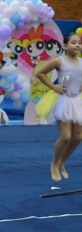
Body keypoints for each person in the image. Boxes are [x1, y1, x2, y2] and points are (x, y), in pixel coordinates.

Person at [36, 33, 82, 181]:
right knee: (66, 136)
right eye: (73, 42)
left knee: (77, 137)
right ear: (65, 46)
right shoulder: (59, 61)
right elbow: (40, 72)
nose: (77, 45)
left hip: (76, 100)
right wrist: (53, 86)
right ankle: (54, 163)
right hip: (63, 100)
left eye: (79, 43)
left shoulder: (81, 62)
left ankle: (62, 162)